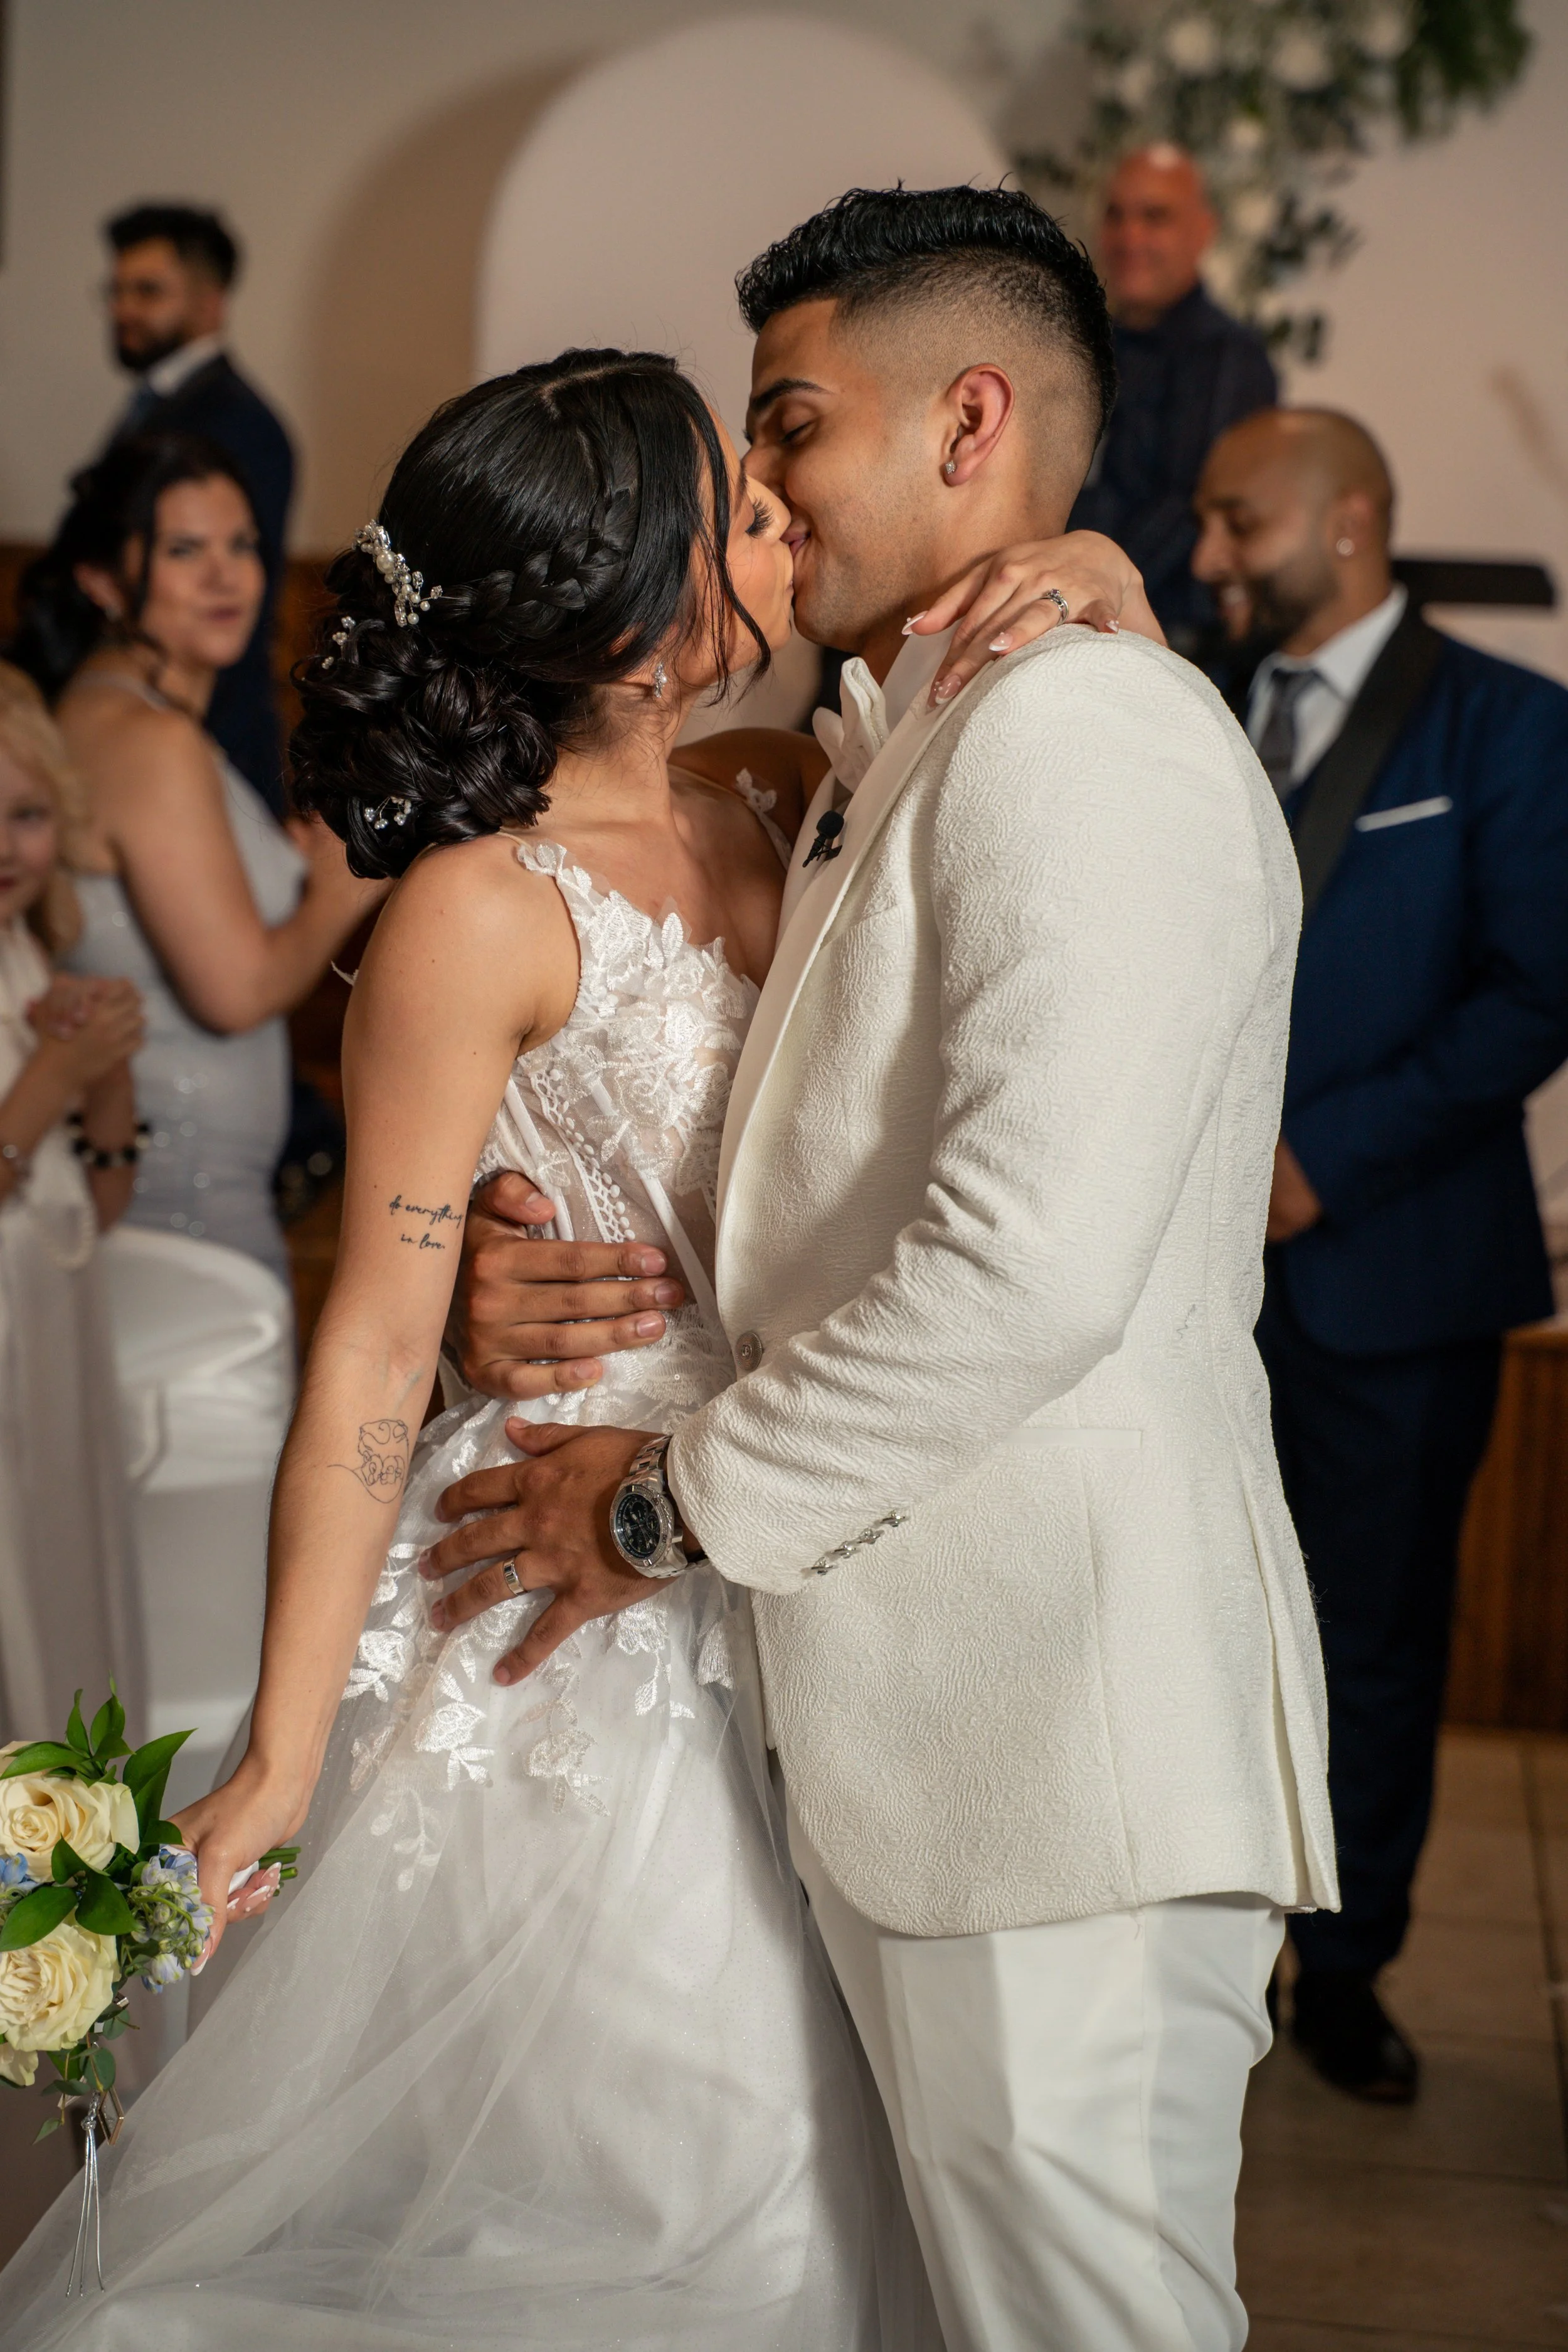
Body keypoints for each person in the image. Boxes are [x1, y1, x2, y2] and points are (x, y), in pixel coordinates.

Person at [415, 186, 1337, 2352]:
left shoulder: (1083, 732)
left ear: (968, 421)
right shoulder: (903, 743)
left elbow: (1024, 1268)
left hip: (1055, 1745)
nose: (758, 486)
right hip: (923, 1737)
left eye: (790, 421)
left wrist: (658, 1508)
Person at [1189, 406, 1568, 2100]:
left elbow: (1534, 994)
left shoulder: (1511, 725)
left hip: (1394, 1272)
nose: (1207, 557)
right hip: (1177, 1278)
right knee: (1192, 1618)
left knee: (1373, 1637)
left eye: (1238, 523)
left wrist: (1318, 1163)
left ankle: (1342, 1967)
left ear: (1347, 523)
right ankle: (1197, 1942)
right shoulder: (1186, 705)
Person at [10, 432, 381, 1282]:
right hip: (175, 1204)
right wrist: (346, 877)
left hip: (182, 1190)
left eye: (242, 545)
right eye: (185, 550)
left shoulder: (126, 715)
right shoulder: (146, 737)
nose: (228, 577)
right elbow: (237, 991)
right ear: (103, 580)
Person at [0, 667, 146, 1740]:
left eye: (28, 814)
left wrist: (107, 1075)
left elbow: (98, 1201)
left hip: (53, 1326)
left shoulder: (27, 955)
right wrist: (52, 1077)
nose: (6, 845)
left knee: (57, 1559)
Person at [101, 203, 294, 813]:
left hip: (213, 736)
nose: (123, 309)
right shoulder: (160, 406)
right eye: (116, 291)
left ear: (210, 303)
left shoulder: (233, 423)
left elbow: (230, 610)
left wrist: (186, 742)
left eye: (148, 292)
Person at [1069, 144, 1278, 652]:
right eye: (1116, 215)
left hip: (1165, 642)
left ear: (1203, 232)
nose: (1129, 237)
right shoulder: (1081, 343)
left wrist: (1087, 589)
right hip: (1073, 614)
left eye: (1155, 217)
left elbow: (1193, 508)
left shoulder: (1227, 357)